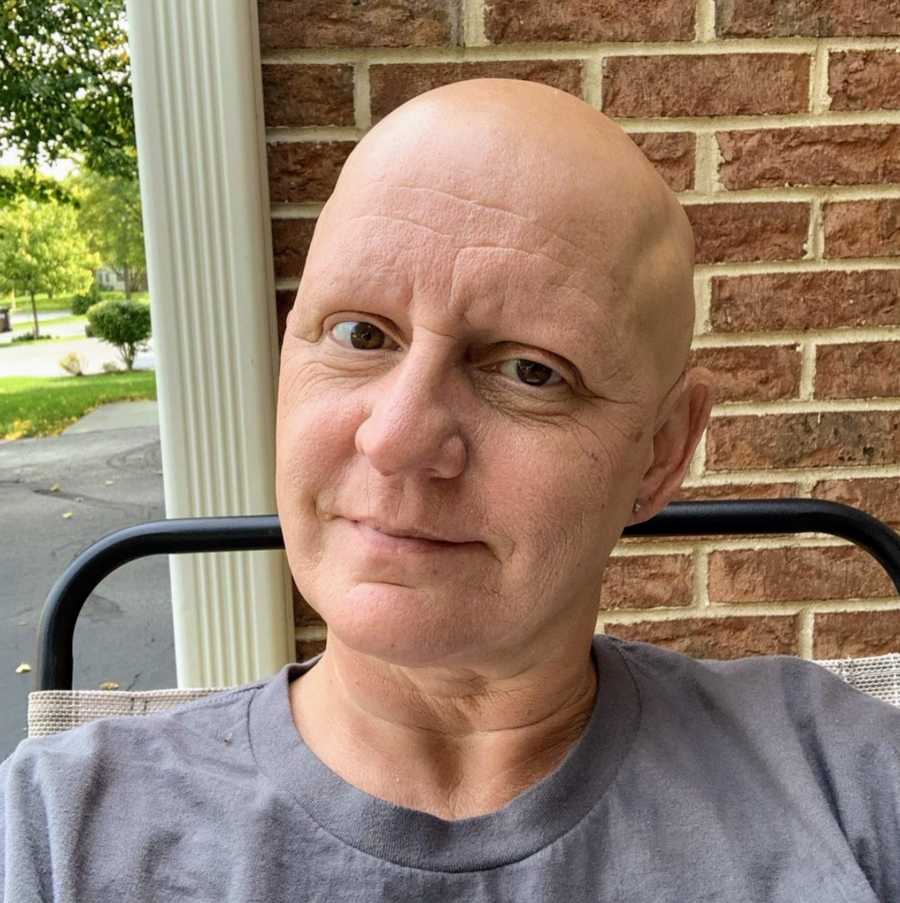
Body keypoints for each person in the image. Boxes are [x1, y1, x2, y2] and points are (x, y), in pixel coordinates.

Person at [2, 79, 898, 902]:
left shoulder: (849, 780)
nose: (393, 439)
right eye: (359, 332)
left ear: (661, 454)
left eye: (530, 371)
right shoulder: (59, 835)